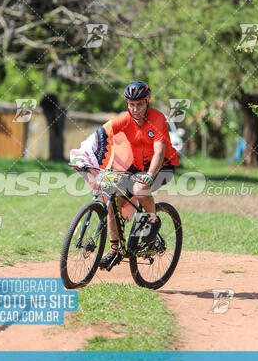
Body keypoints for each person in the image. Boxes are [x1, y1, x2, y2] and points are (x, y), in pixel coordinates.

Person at [70, 81, 179, 269]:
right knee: (114, 197)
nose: (135, 109)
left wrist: (150, 176)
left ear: (148, 102)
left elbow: (159, 153)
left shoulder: (158, 118)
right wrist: (82, 157)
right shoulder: (123, 119)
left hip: (163, 165)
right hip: (136, 166)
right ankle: (114, 250)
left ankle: (152, 220)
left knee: (139, 188)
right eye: (131, 104)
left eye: (140, 104)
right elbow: (98, 137)